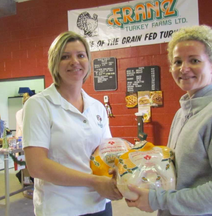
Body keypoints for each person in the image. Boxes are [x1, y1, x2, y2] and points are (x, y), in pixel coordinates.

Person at [126, 25, 212, 216]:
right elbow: (181, 175)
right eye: (177, 62)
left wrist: (158, 200)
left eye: (194, 60)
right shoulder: (183, 111)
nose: (183, 69)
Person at [22, 31, 122, 216]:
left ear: (88, 61)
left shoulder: (97, 107)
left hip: (99, 203)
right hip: (62, 207)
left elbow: (107, 152)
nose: (74, 62)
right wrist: (94, 181)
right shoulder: (38, 105)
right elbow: (37, 166)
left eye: (81, 55)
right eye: (65, 57)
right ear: (54, 63)